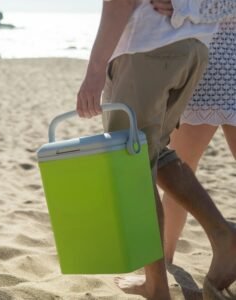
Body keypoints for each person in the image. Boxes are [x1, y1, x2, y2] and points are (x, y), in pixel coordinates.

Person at [76, 0, 236, 299]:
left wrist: (95, 71)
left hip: (148, 48)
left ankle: (157, 285)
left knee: (131, 166)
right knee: (155, 154)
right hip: (195, 48)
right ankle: (222, 234)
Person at [151, 2, 236, 265]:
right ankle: (164, 260)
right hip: (206, 71)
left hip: (210, 70)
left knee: (179, 172)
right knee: (180, 172)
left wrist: (182, 6)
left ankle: (164, 261)